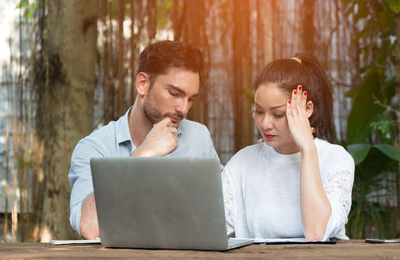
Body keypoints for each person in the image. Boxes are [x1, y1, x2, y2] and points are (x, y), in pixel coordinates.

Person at [69, 40, 219, 239]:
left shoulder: (198, 137)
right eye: (174, 93)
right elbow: (90, 227)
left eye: (191, 99)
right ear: (142, 84)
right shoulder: (95, 148)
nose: (184, 108)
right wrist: (142, 155)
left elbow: (219, 217)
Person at [222, 53, 354, 241]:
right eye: (259, 111)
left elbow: (316, 233)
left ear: (307, 109)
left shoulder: (335, 159)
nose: (265, 123)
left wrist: (308, 149)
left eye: (278, 114)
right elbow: (210, 230)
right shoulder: (242, 163)